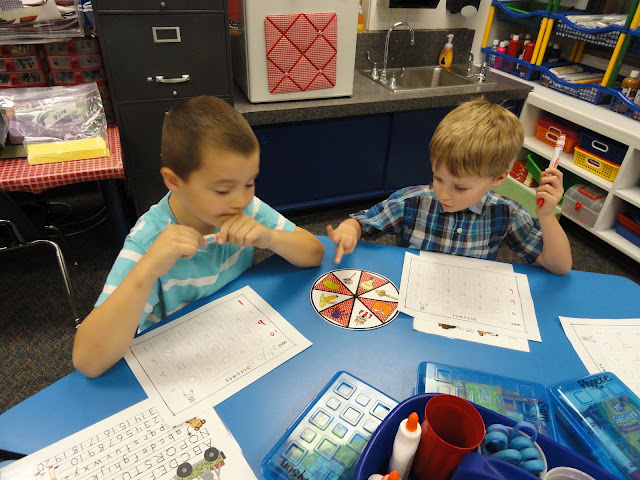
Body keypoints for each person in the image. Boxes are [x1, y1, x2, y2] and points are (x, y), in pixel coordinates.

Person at [73, 96, 324, 378]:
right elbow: (87, 361)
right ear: (174, 181)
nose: (240, 200)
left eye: (249, 183)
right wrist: (147, 269)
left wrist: (269, 238)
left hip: (236, 337)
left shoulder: (246, 208)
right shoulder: (148, 240)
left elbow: (314, 253)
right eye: (222, 190)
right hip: (181, 362)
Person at [327, 97, 572, 275]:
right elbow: (361, 223)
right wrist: (349, 229)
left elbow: (559, 266)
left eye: (461, 188)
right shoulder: (412, 202)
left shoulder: (507, 213)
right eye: (438, 178)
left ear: (498, 179)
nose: (443, 194)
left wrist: (547, 216)